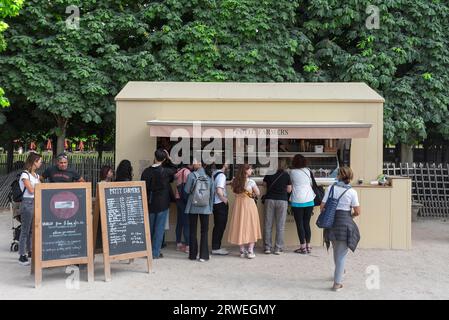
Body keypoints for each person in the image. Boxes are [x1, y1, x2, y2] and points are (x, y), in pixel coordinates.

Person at [321, 166, 361, 292]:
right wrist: (350, 216)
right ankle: (337, 284)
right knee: (342, 254)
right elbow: (358, 211)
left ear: (338, 175)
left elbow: (322, 207)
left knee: (336, 250)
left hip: (331, 223)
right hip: (345, 224)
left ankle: (339, 272)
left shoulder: (331, 188)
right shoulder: (352, 192)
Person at [141, 149, 177, 259]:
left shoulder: (146, 171)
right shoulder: (165, 171)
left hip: (150, 202)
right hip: (163, 202)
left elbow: (143, 186)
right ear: (164, 159)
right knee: (159, 228)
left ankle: (147, 251)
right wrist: (169, 159)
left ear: (154, 157)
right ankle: (155, 252)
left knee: (150, 228)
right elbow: (175, 169)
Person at [228, 164, 262, 259]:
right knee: (251, 226)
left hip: (238, 207)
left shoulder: (235, 181)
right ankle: (250, 250)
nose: (251, 170)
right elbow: (258, 193)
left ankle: (242, 250)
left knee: (240, 226)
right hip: (249, 206)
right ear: (246, 171)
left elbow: (235, 193)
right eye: (250, 169)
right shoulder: (251, 182)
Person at [184, 160, 214, 262]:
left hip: (193, 207)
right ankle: (203, 256)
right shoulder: (209, 175)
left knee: (193, 231)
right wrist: (210, 208)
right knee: (204, 232)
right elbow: (212, 193)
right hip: (205, 208)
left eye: (195, 162)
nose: (193, 164)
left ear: (200, 164)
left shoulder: (192, 175)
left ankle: (192, 255)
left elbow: (187, 190)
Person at [262, 160, 292, 255]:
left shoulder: (269, 173)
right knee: (280, 225)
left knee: (268, 224)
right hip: (282, 200)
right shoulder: (286, 175)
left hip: (270, 199)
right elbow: (289, 189)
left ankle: (267, 247)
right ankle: (278, 248)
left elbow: (264, 184)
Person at [18, 152, 43, 266]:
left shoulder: (37, 176)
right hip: (27, 203)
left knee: (33, 230)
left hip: (36, 203)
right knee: (25, 230)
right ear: (34, 162)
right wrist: (39, 188)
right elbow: (31, 190)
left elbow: (39, 189)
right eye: (39, 161)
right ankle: (22, 255)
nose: (41, 163)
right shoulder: (25, 175)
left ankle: (30, 251)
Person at [290, 154, 315, 254]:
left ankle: (303, 247)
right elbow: (311, 184)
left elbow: (290, 184)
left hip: (297, 200)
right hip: (309, 199)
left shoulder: (292, 172)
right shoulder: (308, 171)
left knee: (299, 224)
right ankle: (308, 246)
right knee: (306, 223)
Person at [211, 163, 230, 255]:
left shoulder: (214, 173)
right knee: (220, 226)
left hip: (214, 203)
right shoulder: (221, 175)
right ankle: (216, 248)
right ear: (223, 165)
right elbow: (219, 190)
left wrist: (228, 183)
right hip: (220, 203)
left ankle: (216, 246)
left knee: (217, 225)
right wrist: (224, 199)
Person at [174, 163, 192, 253]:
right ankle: (188, 245)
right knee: (186, 223)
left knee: (179, 222)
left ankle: (178, 243)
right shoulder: (187, 172)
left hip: (178, 198)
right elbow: (189, 187)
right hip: (185, 200)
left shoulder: (178, 172)